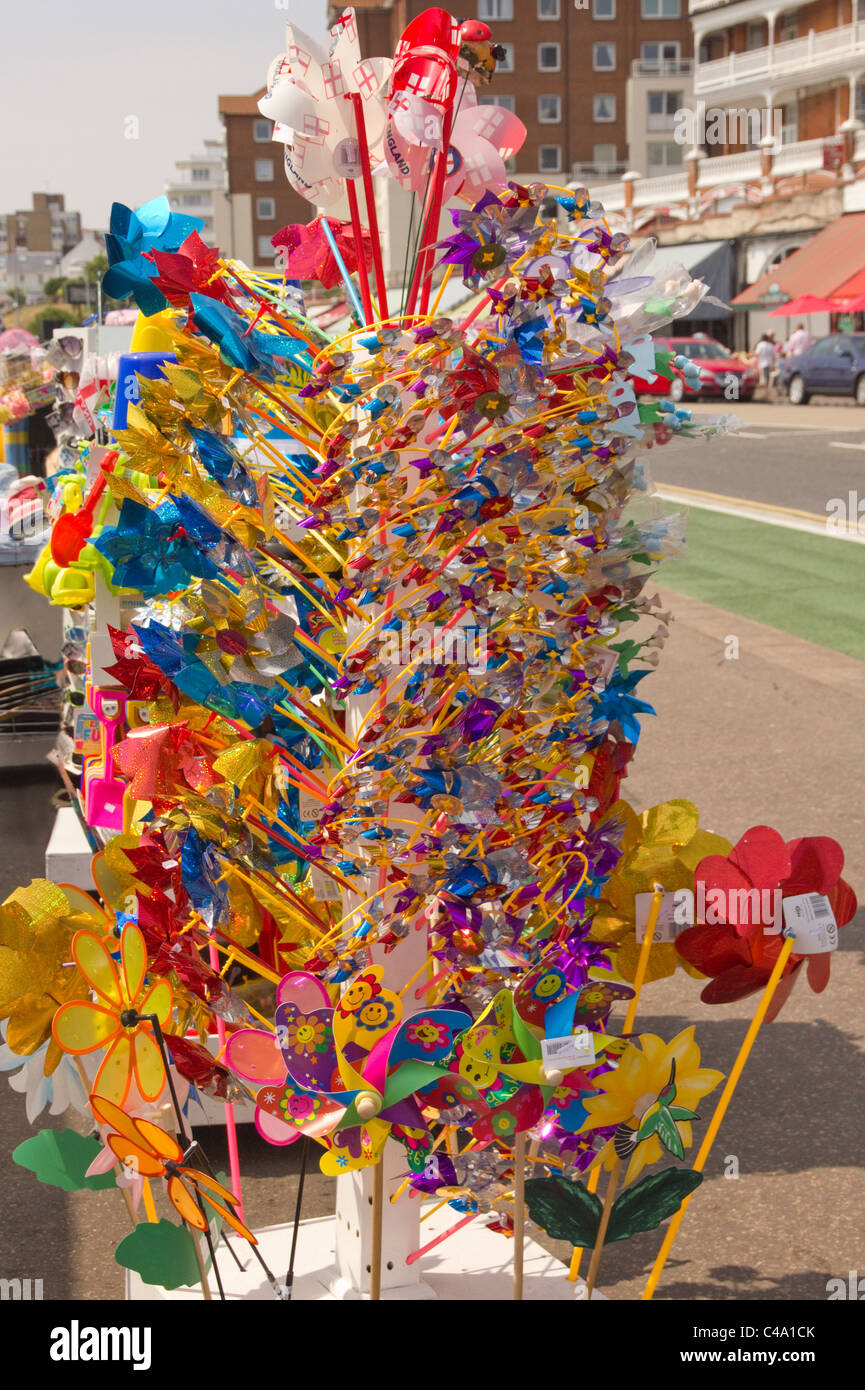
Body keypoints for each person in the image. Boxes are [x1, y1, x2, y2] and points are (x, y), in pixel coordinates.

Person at [752, 332, 778, 400]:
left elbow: (757, 353)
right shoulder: (770, 345)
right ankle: (766, 393)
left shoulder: (760, 345)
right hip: (769, 363)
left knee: (764, 379)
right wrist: (773, 364)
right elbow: (773, 356)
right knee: (767, 379)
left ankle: (766, 393)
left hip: (763, 363)